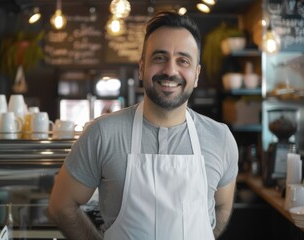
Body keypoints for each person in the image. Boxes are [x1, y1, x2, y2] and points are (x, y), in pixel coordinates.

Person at [48, 10, 238, 240]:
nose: (170, 70)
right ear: (141, 68)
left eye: (183, 60)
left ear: (196, 74)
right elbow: (61, 206)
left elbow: (222, 208)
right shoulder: (103, 133)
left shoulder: (220, 138)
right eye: (159, 58)